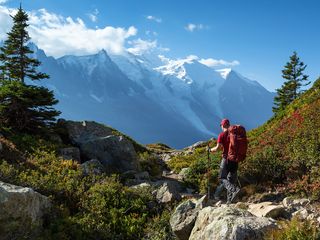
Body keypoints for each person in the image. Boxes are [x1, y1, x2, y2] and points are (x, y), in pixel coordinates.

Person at [210, 118, 240, 204]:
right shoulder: (235, 134)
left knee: (222, 177)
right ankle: (229, 202)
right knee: (231, 180)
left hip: (226, 159)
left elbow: (218, 148)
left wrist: (210, 150)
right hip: (235, 159)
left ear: (222, 125)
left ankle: (234, 190)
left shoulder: (222, 135)